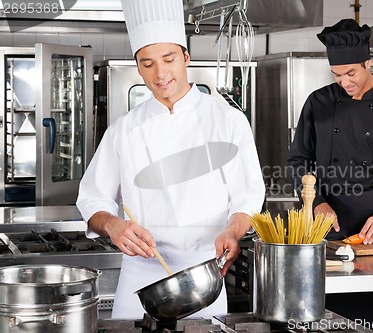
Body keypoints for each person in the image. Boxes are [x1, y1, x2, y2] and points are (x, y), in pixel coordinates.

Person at [76, 0, 265, 320]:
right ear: (138, 67)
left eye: (169, 59)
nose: (160, 73)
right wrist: (113, 225)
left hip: (204, 282)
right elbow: (92, 198)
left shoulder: (229, 121)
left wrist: (233, 231)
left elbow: (247, 196)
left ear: (186, 58)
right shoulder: (125, 129)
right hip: (140, 283)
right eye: (147, 63)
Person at [286, 19, 373, 332]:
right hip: (326, 235)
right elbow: (297, 161)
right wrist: (318, 202)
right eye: (337, 75)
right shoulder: (318, 103)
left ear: (368, 63)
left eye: (351, 73)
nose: (344, 82)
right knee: (328, 321)